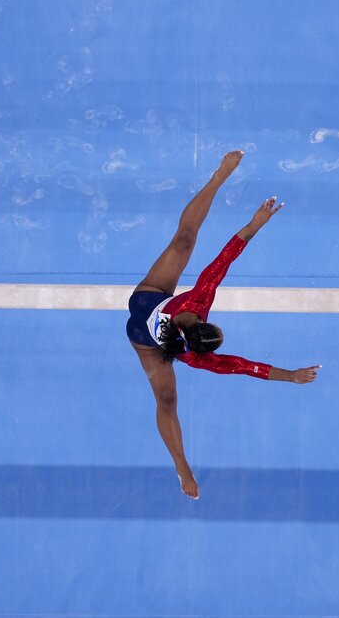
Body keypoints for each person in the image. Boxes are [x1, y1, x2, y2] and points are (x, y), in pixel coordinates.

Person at [126, 150, 321, 500]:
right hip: (150, 301)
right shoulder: (198, 311)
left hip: (143, 335)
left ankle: (180, 465)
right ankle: (216, 178)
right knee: (185, 238)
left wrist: (291, 376)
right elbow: (227, 255)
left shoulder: (197, 316)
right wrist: (254, 223)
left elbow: (244, 366)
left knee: (167, 400)